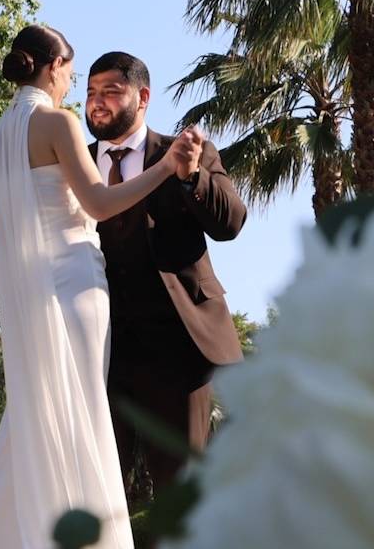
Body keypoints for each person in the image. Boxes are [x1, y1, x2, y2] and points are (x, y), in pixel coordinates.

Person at [0, 25, 200, 549]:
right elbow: (99, 203)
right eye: (71, 73)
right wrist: (166, 167)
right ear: (54, 67)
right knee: (81, 414)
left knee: (39, 416)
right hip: (75, 288)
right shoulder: (58, 122)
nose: (73, 85)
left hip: (31, 298)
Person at [84, 51, 246, 498]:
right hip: (101, 352)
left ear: (143, 98)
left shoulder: (186, 152)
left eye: (111, 92)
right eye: (91, 92)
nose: (97, 102)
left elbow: (231, 223)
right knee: (98, 490)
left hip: (178, 348)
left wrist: (192, 176)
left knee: (183, 491)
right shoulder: (74, 164)